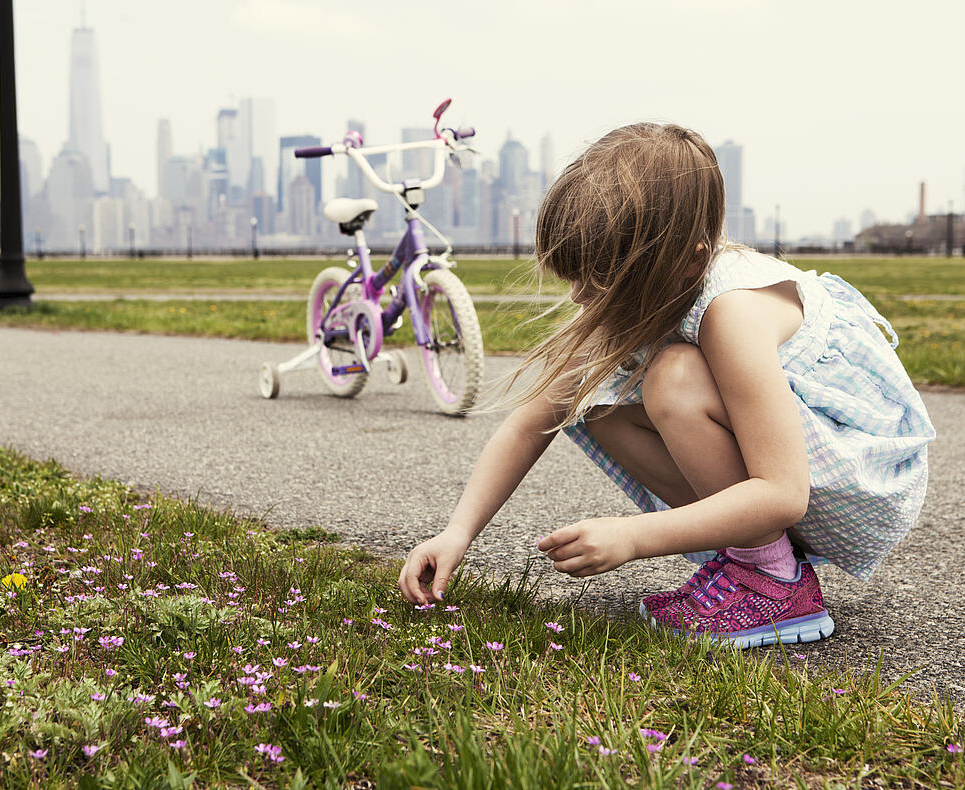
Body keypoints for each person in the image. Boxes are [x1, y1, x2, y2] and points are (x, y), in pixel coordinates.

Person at [398, 123, 935, 647]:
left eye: (601, 278)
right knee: (595, 403)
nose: (580, 296)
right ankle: (751, 556)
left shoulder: (732, 311)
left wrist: (632, 538)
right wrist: (457, 533)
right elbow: (532, 421)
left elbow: (783, 493)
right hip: (799, 474)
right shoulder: (653, 287)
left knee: (674, 375)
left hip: (855, 483)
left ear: (689, 261)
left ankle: (773, 580)